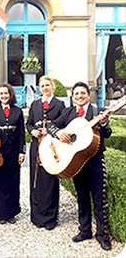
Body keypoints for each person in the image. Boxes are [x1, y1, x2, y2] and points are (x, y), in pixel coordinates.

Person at [47, 81, 112, 250]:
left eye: (83, 93)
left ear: (88, 95)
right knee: (82, 197)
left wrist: (104, 123)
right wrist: (59, 132)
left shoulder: (97, 112)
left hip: (95, 160)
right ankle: (84, 230)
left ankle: (102, 235)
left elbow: (107, 133)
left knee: (99, 198)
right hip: (76, 162)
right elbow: (50, 125)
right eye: (76, 94)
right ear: (73, 97)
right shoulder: (68, 113)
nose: (80, 96)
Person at [26, 76, 65, 230]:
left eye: (47, 85)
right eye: (42, 86)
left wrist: (50, 132)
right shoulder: (35, 104)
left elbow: (64, 125)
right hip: (36, 147)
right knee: (35, 181)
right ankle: (36, 217)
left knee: (50, 181)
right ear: (39, 88)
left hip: (52, 148)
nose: (45, 88)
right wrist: (33, 131)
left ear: (52, 86)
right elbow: (28, 124)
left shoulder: (60, 104)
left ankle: (50, 218)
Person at [0, 83, 26, 224]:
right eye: (1, 94)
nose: (4, 96)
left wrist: (22, 152)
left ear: (11, 95)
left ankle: (11, 213)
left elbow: (21, 133)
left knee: (13, 182)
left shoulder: (17, 111)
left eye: (6, 93)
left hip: (13, 151)